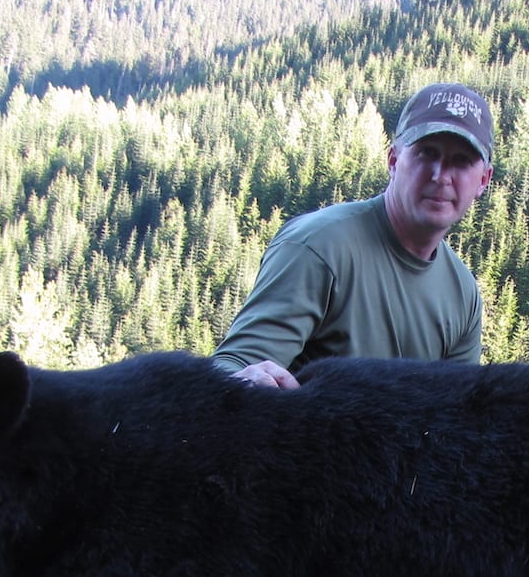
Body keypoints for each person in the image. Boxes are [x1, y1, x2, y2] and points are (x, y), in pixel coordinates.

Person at [212, 82, 495, 389]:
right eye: (427, 154)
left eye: (461, 161)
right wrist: (244, 383)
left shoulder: (463, 293)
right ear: (394, 161)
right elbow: (232, 369)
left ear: (483, 180)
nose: (440, 176)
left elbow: (457, 409)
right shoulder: (318, 247)